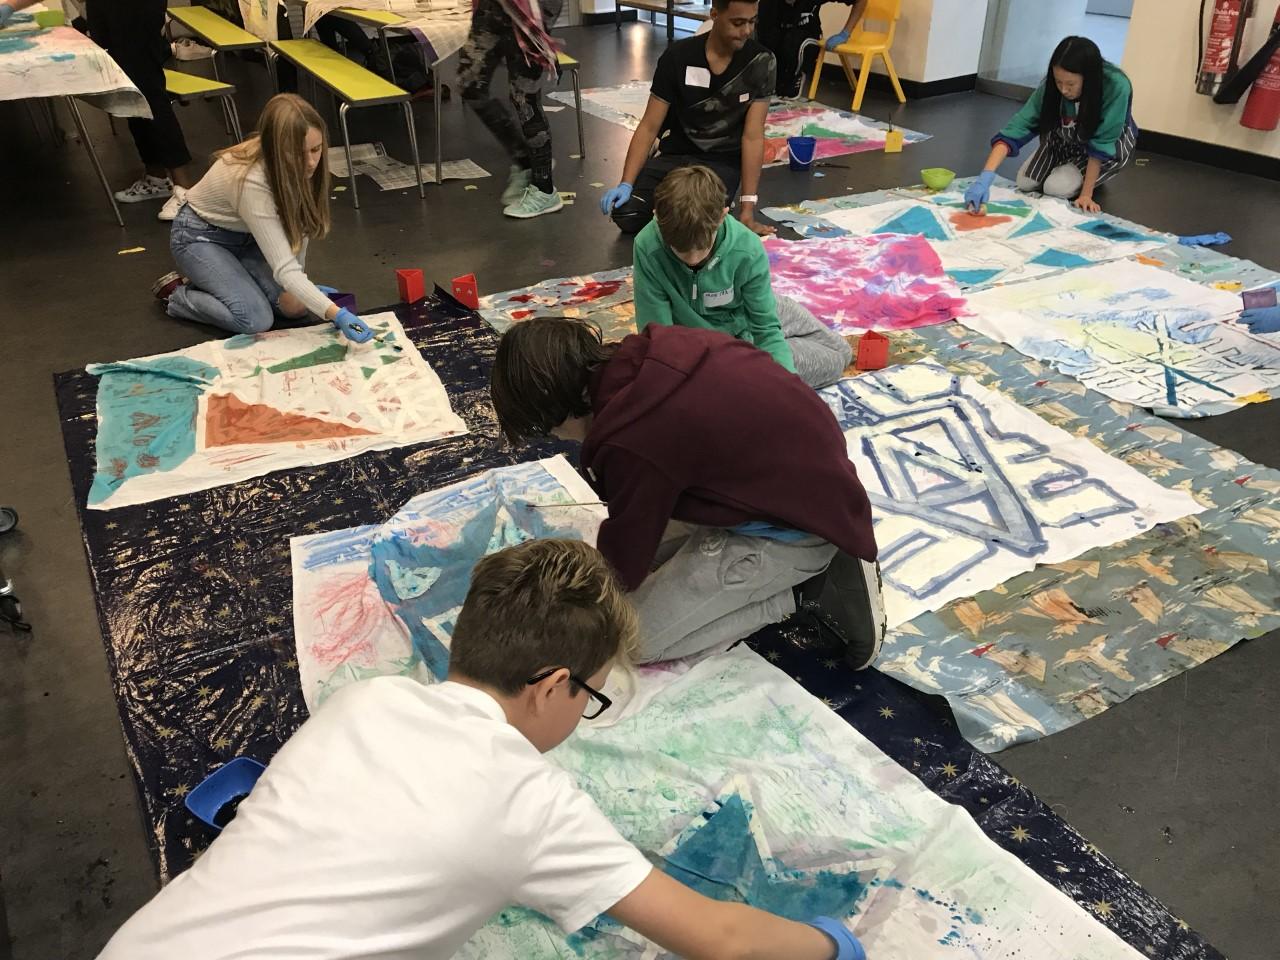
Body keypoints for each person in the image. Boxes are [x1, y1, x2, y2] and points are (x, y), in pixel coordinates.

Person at [95, 539, 868, 960]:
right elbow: (723, 939)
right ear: (551, 685)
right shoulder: (526, 804)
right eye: (592, 696)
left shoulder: (367, 701)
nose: (584, 713)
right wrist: (837, 945)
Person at [491, 319, 885, 668]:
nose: (556, 439)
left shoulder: (632, 433)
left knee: (631, 639)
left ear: (553, 404)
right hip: (802, 481)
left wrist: (570, 603)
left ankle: (804, 592)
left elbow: (624, 564)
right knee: (652, 557)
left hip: (799, 525)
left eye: (547, 429)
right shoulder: (649, 354)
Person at [150, 94, 371, 343]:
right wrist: (336, 314)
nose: (310, 163)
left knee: (295, 308)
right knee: (254, 319)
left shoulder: (294, 164)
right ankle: (177, 295)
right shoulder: (251, 180)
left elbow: (299, 234)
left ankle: (220, 279)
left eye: (316, 149)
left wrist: (299, 288)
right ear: (276, 148)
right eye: (299, 153)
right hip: (200, 237)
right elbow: (285, 268)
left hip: (248, 237)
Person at [634, 165, 851, 388]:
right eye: (679, 251)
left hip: (752, 314)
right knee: (833, 363)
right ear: (656, 217)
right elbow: (658, 337)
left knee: (843, 350)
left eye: (702, 248)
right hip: (719, 348)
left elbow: (766, 328)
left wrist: (787, 389)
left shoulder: (747, 247)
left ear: (722, 215)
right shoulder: (647, 246)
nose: (692, 260)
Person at [0, 0, 201, 219]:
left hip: (132, 8)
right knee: (128, 88)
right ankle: (156, 177)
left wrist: (10, 5)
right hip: (107, 6)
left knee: (147, 88)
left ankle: (185, 191)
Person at [600, 0, 777, 236]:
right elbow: (649, 126)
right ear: (714, 15)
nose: (746, 31)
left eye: (752, 22)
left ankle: (678, 212)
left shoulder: (761, 62)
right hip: (676, 155)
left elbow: (753, 137)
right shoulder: (678, 56)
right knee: (628, 214)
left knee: (696, 220)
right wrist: (626, 183)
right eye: (738, 23)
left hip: (720, 163)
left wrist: (747, 211)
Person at [965, 36, 1136, 215]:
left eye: (1071, 84)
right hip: (1063, 141)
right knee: (1026, 183)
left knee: (1056, 188)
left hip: (1101, 150)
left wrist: (1086, 194)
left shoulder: (1116, 86)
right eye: (1058, 81)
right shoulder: (1052, 87)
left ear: (1089, 78)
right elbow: (1018, 126)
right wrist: (985, 177)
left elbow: (1103, 141)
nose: (1063, 89)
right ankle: (1065, 167)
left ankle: (1089, 178)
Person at [458, 0, 565, 219]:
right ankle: (526, 161)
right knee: (470, 85)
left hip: (531, 6)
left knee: (524, 97)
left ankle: (545, 190)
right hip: (493, 6)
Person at [756, 0, 866, 99]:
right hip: (779, 36)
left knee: (793, 42)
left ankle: (797, 74)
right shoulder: (767, 4)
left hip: (804, 37)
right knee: (766, 42)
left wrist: (845, 33)